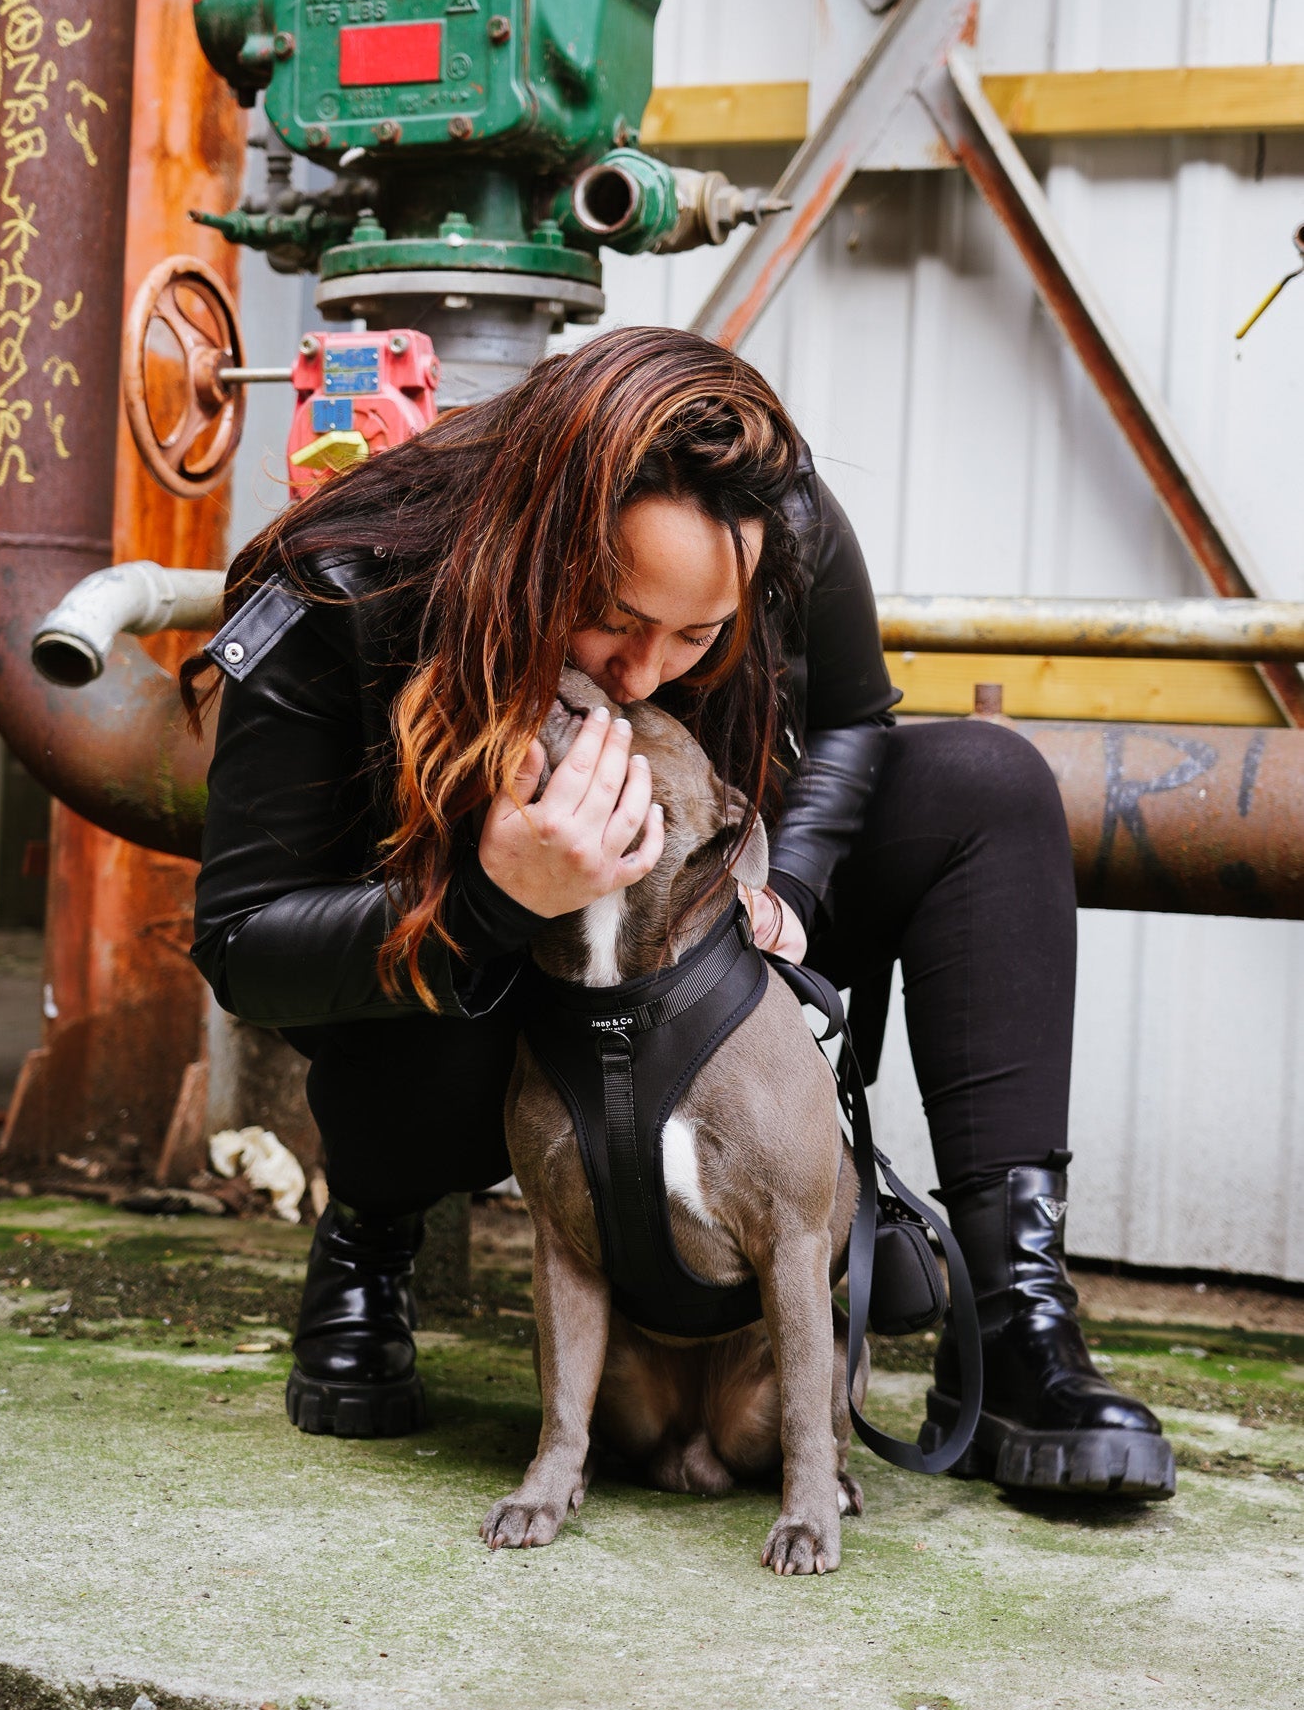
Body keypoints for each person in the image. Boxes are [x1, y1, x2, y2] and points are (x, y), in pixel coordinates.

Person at [187, 325, 1172, 1500]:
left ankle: (1015, 1318)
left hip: (700, 932)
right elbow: (243, 941)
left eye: (698, 634)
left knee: (986, 784)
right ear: (537, 541)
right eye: (611, 614)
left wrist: (786, 885)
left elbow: (853, 717)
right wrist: (491, 899)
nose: (644, 671)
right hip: (475, 992)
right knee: (459, 967)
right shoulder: (348, 577)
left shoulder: (776, 515)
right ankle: (372, 1225)